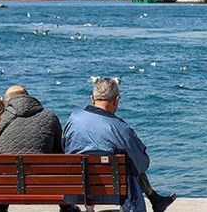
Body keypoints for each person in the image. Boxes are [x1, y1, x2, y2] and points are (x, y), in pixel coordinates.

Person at [63, 77, 176, 212]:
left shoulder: (73, 119)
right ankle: (155, 198)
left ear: (92, 98)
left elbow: (65, 147)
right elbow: (142, 164)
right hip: (114, 191)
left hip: (78, 189)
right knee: (130, 162)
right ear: (116, 101)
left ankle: (156, 199)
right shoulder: (120, 128)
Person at [0, 86, 76, 212]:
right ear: (28, 97)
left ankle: (1, 207)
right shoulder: (50, 117)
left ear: (8, 101)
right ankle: (66, 207)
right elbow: (59, 153)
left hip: (8, 185)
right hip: (44, 183)